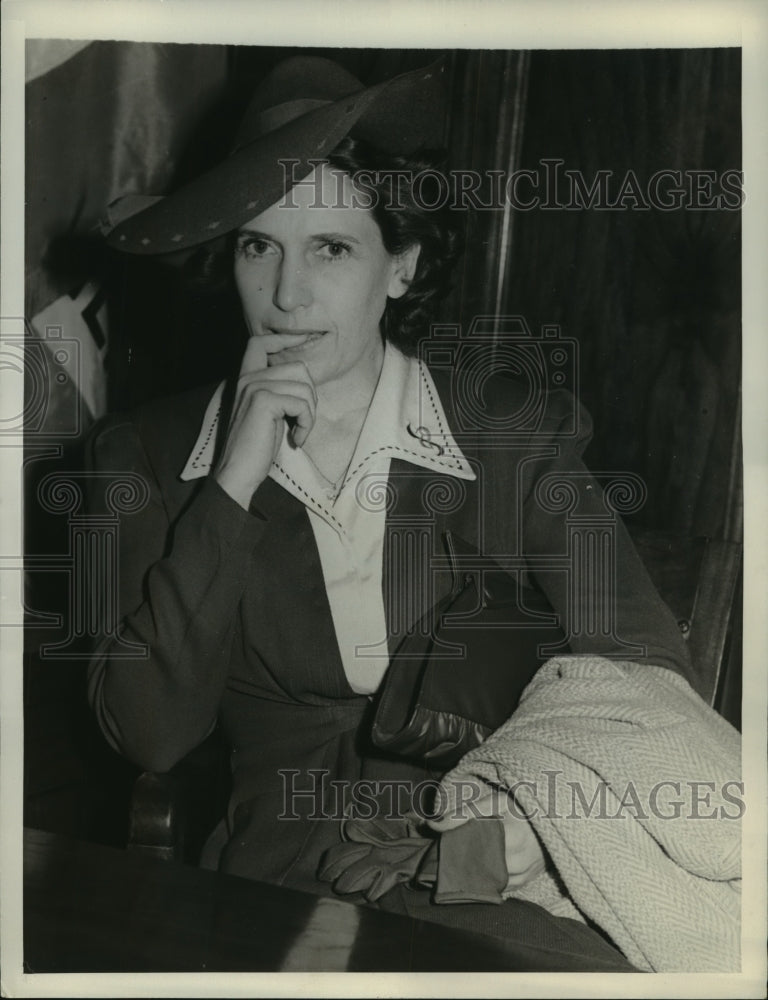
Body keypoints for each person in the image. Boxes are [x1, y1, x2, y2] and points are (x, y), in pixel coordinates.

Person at [87, 55, 730, 970]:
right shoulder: (150, 454)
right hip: (277, 890)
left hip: (501, 862)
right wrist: (231, 482)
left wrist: (521, 825)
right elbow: (151, 732)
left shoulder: (506, 435)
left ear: (403, 263)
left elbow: (641, 656)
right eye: (257, 245)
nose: (287, 293)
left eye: (331, 248)